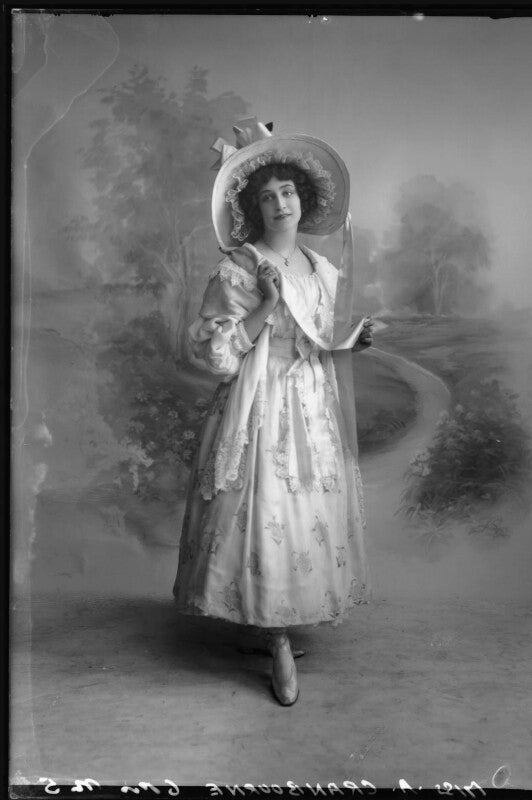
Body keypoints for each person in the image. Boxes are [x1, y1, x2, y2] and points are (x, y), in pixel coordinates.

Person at [173, 118, 373, 706]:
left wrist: (352, 342)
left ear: (303, 198)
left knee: (305, 513)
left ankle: (276, 621)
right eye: (266, 196)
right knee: (264, 512)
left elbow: (321, 339)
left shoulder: (321, 270)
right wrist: (265, 301)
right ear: (252, 209)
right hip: (260, 404)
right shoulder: (240, 267)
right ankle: (277, 640)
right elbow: (216, 356)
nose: (280, 204)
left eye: (288, 192)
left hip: (311, 403)